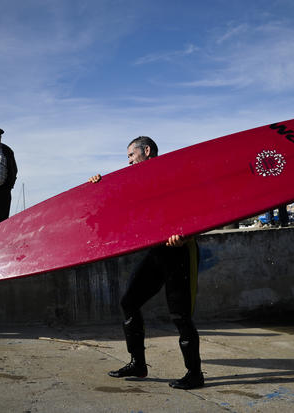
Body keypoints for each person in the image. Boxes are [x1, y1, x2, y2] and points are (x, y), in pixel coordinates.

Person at [88, 136, 204, 390]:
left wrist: (186, 235)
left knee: (180, 316)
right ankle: (138, 364)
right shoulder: (137, 181)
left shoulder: (173, 172)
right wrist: (99, 185)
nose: (128, 161)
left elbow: (198, 206)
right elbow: (117, 203)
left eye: (131, 155)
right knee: (129, 301)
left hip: (180, 252)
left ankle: (195, 374)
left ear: (147, 151)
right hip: (157, 251)